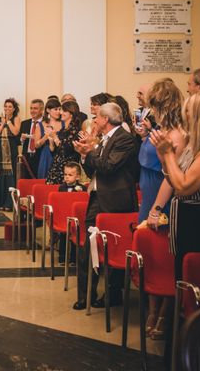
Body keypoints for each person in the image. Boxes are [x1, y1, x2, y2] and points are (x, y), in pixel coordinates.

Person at [150, 92, 200, 280]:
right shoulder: (194, 145)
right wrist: (165, 160)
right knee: (183, 278)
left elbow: (184, 187)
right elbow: (175, 182)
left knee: (199, 282)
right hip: (189, 220)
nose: (184, 116)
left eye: (188, 111)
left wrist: (169, 155)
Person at [72, 102, 139, 310]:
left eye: (98, 117)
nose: (95, 121)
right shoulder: (104, 139)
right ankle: (86, 296)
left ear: (106, 120)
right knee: (87, 246)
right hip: (97, 197)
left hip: (116, 201)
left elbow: (108, 167)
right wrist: (84, 154)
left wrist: (90, 151)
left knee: (113, 246)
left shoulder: (124, 140)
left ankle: (114, 293)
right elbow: (94, 167)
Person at [138, 78, 186, 340]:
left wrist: (157, 208)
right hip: (149, 195)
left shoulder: (177, 132)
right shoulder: (157, 129)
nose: (152, 111)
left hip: (166, 196)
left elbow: (172, 176)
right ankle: (152, 311)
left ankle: (165, 314)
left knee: (167, 258)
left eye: (155, 106)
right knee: (152, 257)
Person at [46, 100, 82, 185]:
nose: (61, 112)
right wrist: (51, 140)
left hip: (67, 172)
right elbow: (55, 152)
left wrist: (55, 137)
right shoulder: (63, 130)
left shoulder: (75, 131)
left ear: (71, 114)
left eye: (64, 111)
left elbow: (66, 151)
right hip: (56, 169)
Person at [0, 98, 21, 210]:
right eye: (6, 106)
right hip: (0, 150)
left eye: (10, 106)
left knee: (11, 177)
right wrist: (2, 123)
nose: (7, 108)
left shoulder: (16, 118)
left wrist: (8, 122)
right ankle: (0, 202)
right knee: (1, 176)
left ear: (14, 109)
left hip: (11, 148)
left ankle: (9, 204)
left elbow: (15, 132)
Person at [36, 98, 63, 179]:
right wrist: (46, 136)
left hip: (60, 153)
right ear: (48, 110)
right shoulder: (40, 125)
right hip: (47, 155)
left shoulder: (64, 123)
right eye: (55, 109)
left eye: (59, 109)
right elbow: (36, 145)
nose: (58, 112)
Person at [20, 99, 45, 175]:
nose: (32, 111)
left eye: (35, 108)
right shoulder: (24, 123)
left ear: (41, 110)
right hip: (27, 158)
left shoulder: (46, 123)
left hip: (40, 157)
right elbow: (19, 141)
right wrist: (22, 139)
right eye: (31, 108)